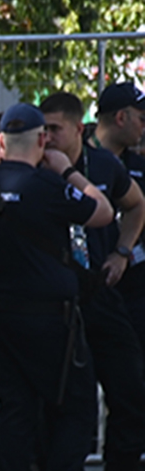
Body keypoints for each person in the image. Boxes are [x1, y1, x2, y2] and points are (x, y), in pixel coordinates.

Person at [0, 103, 116, 471]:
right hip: (50, 321)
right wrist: (68, 171)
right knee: (74, 408)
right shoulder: (48, 186)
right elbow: (103, 210)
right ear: (42, 141)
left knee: (15, 411)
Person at [41, 91, 145, 471]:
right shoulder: (37, 170)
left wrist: (122, 250)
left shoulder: (103, 166)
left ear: (77, 129)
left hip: (102, 294)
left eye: (54, 130)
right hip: (55, 299)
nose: (46, 138)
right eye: (40, 130)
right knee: (67, 400)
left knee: (129, 389)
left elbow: (136, 205)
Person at [92, 82, 145, 358]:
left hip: (135, 285)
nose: (143, 127)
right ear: (121, 118)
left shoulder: (137, 166)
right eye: (141, 119)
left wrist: (123, 252)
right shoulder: (79, 162)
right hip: (90, 289)